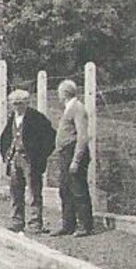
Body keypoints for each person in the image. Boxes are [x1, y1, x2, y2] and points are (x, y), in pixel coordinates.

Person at [0, 88, 55, 233]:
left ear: (27, 103)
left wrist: (40, 156)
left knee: (34, 192)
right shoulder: (12, 118)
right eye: (14, 103)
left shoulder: (37, 118)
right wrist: (6, 156)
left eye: (20, 103)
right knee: (15, 192)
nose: (17, 106)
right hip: (14, 158)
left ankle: (35, 224)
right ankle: (17, 221)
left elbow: (50, 138)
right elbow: (5, 138)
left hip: (30, 160)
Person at [54, 79, 94, 236]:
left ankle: (85, 226)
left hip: (74, 153)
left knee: (78, 190)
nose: (58, 95)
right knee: (65, 190)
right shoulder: (69, 108)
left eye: (59, 92)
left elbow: (82, 136)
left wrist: (76, 160)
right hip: (65, 153)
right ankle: (68, 225)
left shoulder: (77, 108)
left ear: (64, 93)